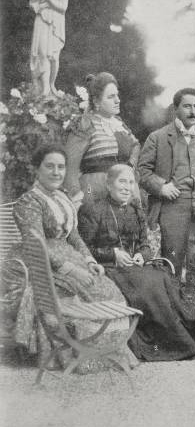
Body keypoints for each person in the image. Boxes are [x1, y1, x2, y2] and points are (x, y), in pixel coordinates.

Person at [11, 144, 137, 371]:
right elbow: (36, 244)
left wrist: (89, 261)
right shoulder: (29, 202)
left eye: (60, 167)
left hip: (70, 257)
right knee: (90, 291)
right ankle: (83, 357)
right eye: (49, 166)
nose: (56, 172)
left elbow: (74, 236)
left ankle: (104, 354)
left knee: (109, 290)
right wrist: (71, 269)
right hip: (43, 262)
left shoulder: (62, 197)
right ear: (36, 170)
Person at [77, 164, 195, 361]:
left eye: (131, 182)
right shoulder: (93, 210)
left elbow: (145, 245)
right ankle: (158, 344)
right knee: (149, 283)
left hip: (135, 267)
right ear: (109, 185)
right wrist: (113, 254)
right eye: (122, 181)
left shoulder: (136, 210)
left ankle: (174, 341)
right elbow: (83, 249)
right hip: (109, 269)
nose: (127, 187)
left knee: (162, 278)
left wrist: (142, 255)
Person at [138, 87, 195, 278]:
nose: (193, 111)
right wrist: (161, 186)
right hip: (172, 204)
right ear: (176, 109)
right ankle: (175, 294)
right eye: (187, 106)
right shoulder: (158, 137)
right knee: (172, 260)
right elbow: (142, 171)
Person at [63, 72, 140, 208]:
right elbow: (71, 166)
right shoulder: (84, 124)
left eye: (117, 95)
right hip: (94, 191)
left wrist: (130, 167)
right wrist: (75, 196)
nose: (118, 100)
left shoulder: (119, 124)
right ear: (97, 101)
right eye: (111, 97)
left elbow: (135, 145)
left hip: (125, 190)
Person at [29, 0, 68, 97]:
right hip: (42, 21)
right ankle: (45, 88)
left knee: (54, 57)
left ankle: (52, 85)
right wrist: (39, 7)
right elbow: (32, 2)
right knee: (43, 55)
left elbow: (63, 7)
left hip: (56, 23)